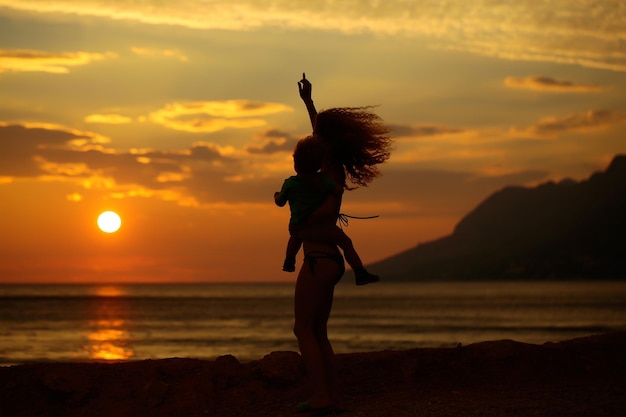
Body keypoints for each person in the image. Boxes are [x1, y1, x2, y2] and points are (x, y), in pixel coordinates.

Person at [294, 73, 393, 284]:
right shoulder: (328, 163)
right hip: (323, 256)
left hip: (321, 257)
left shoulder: (332, 169)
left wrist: (302, 222)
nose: (314, 137)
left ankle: (360, 273)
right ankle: (360, 273)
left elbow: (329, 210)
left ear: (329, 142)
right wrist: (308, 101)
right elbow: (317, 127)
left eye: (319, 136)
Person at [275, 137, 380, 286]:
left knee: (294, 238)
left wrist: (276, 195)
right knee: (345, 243)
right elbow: (337, 190)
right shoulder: (322, 180)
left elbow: (280, 202)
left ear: (295, 163)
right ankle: (360, 272)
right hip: (320, 228)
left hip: (298, 226)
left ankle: (289, 261)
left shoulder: (290, 183)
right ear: (318, 165)